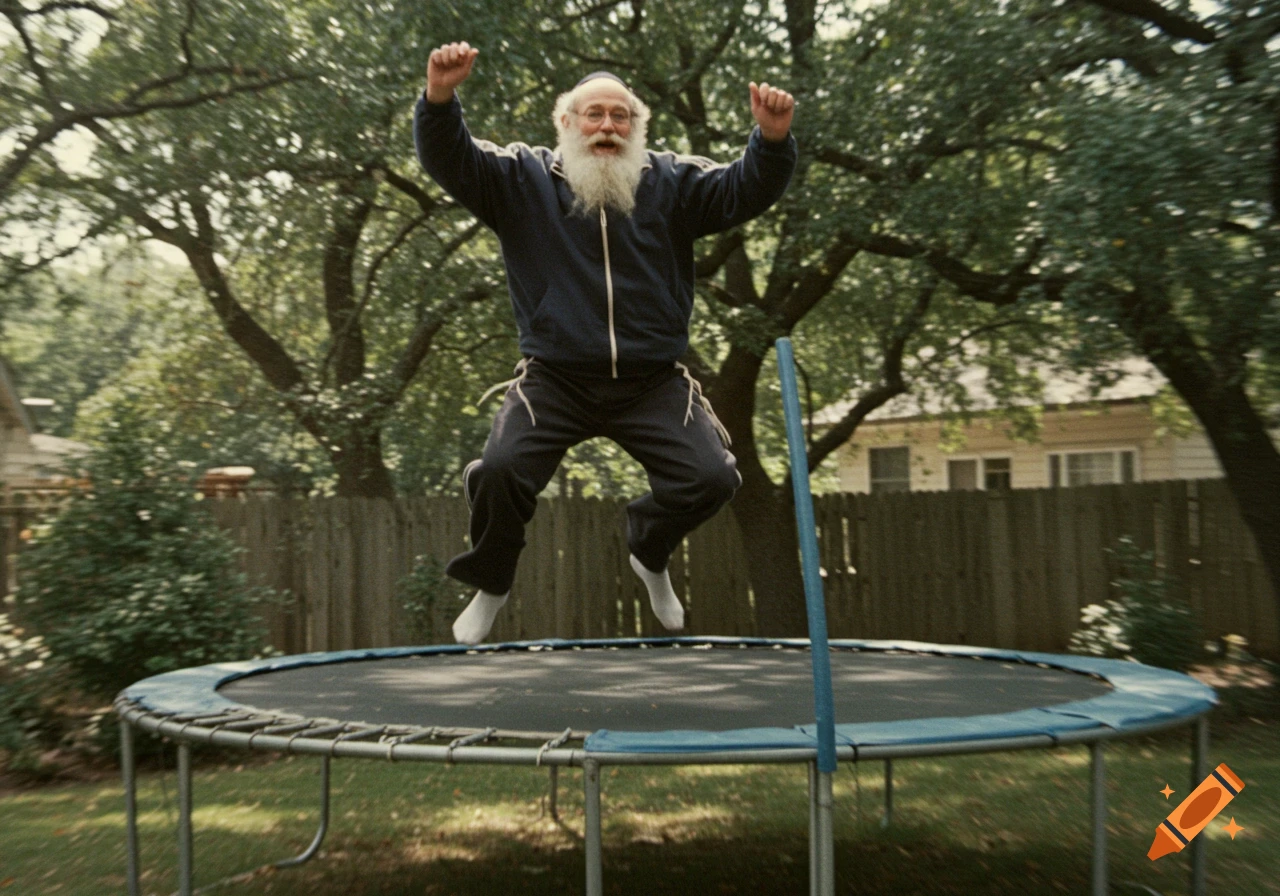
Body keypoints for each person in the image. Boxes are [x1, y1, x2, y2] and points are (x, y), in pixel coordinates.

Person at [414, 41, 797, 644]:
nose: (607, 126)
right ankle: (492, 583)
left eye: (621, 117)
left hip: (652, 381)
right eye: (594, 114)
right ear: (566, 123)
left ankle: (649, 548)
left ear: (638, 129)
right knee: (500, 471)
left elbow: (742, 189)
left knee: (714, 478)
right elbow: (451, 158)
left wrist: (770, 143)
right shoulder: (521, 178)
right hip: (556, 377)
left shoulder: (672, 182)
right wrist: (440, 98)